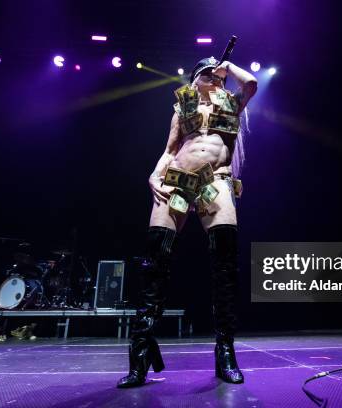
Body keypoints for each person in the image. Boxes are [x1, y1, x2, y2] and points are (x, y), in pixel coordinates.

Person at [117, 57, 257, 388]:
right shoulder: (183, 108)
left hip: (215, 180)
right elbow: (169, 150)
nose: (211, 76)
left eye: (215, 73)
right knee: (154, 263)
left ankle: (225, 352)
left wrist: (227, 65)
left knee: (224, 264)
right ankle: (139, 355)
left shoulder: (231, 104)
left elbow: (250, 83)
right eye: (204, 72)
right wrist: (154, 173)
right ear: (194, 80)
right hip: (176, 179)